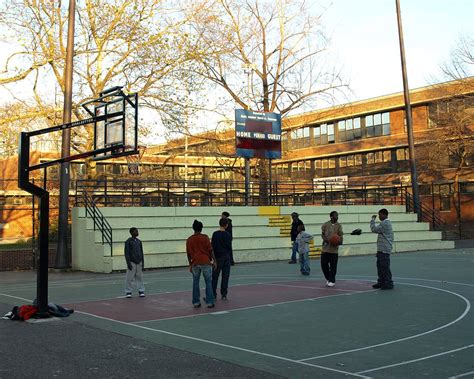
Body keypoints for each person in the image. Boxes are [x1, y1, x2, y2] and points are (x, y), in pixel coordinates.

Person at [186, 220, 216, 308]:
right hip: (205, 261)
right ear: (201, 228)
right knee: (208, 282)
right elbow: (210, 250)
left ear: (193, 228)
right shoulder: (205, 237)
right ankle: (210, 302)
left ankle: (196, 302)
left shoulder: (189, 239)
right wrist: (214, 261)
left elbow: (188, 254)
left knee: (195, 282)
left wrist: (190, 264)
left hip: (195, 262)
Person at [370, 208, 394, 290]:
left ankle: (388, 283)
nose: (379, 216)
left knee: (384, 267)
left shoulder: (385, 223)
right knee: (380, 266)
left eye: (380, 214)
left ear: (384, 215)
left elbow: (374, 229)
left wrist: (372, 220)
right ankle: (381, 282)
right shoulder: (384, 223)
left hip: (385, 248)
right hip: (382, 248)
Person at [321, 211, 344, 287]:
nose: (337, 217)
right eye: (335, 216)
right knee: (324, 265)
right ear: (331, 217)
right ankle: (328, 278)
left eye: (337, 216)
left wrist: (339, 241)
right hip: (325, 249)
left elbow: (340, 236)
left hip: (334, 250)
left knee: (333, 266)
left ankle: (332, 280)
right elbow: (323, 234)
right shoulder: (325, 225)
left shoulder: (339, 226)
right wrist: (325, 239)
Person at [211, 217, 232, 300]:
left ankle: (213, 294)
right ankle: (224, 294)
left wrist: (213, 259)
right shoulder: (228, 234)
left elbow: (212, 247)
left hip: (218, 258)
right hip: (226, 257)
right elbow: (229, 247)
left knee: (215, 277)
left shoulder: (215, 234)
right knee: (225, 276)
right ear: (226, 225)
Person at [124, 227, 145, 298]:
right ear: (132, 232)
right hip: (132, 262)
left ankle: (141, 290)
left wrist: (142, 262)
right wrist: (128, 263)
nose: (137, 232)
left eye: (137, 231)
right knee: (130, 278)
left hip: (139, 262)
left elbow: (141, 252)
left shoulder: (139, 241)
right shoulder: (128, 241)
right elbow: (126, 253)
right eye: (136, 231)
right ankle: (128, 292)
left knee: (140, 277)